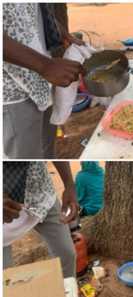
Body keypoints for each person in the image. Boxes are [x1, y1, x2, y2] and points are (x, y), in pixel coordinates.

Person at [3, 3, 84, 159]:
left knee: (46, 149)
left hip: (42, 79)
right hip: (14, 90)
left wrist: (64, 34)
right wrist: (45, 65)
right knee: (24, 161)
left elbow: (38, 9)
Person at [3, 162, 79, 278]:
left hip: (42, 197)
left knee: (67, 254)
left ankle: (67, 293)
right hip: (6, 210)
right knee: (5, 280)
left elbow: (49, 149)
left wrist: (69, 185)